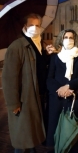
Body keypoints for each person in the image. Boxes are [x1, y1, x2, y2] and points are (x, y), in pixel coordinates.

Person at [2, 13, 48, 153]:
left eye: (37, 25)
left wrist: (47, 54)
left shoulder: (39, 45)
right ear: (24, 27)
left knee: (31, 135)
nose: (34, 28)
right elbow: (9, 78)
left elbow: (39, 67)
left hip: (37, 96)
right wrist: (13, 103)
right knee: (22, 139)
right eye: (31, 25)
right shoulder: (17, 46)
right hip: (24, 99)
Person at [45, 29, 78, 150]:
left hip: (74, 97)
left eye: (71, 37)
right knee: (55, 131)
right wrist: (59, 89)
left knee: (72, 132)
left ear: (75, 40)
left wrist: (70, 87)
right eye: (65, 37)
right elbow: (49, 78)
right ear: (61, 39)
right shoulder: (55, 56)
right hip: (57, 98)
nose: (68, 40)